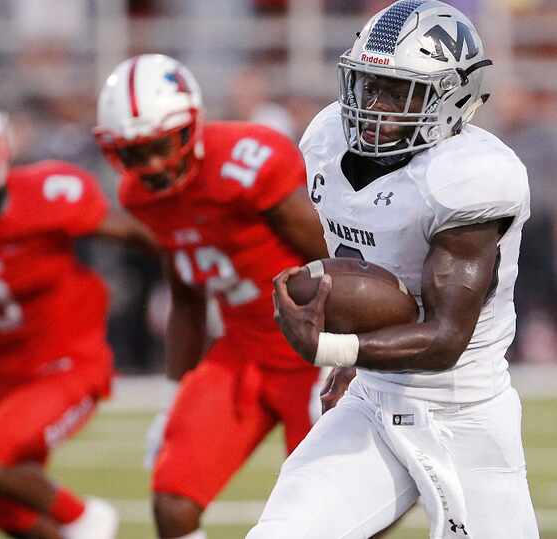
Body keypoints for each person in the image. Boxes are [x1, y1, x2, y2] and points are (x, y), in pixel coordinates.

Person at [250, 1, 540, 538]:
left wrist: (332, 349)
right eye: (367, 84)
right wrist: (354, 351)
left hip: (461, 407)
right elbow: (364, 269)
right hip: (372, 398)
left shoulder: (470, 177)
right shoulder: (325, 138)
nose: (374, 106)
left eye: (398, 91)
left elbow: (445, 338)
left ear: (453, 98)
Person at [94, 53, 328, 539]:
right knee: (173, 502)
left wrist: (349, 354)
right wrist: (174, 393)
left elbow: (338, 258)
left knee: (323, 514)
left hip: (313, 352)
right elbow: (184, 291)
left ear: (191, 124)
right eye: (136, 154)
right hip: (243, 354)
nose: (154, 165)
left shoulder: (246, 162)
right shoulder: (140, 196)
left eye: (161, 145)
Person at [0, 87, 152, 539]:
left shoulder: (45, 194)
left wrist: (195, 259)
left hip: (70, 365)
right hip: (7, 377)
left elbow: (132, 232)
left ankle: (86, 521)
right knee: (6, 511)